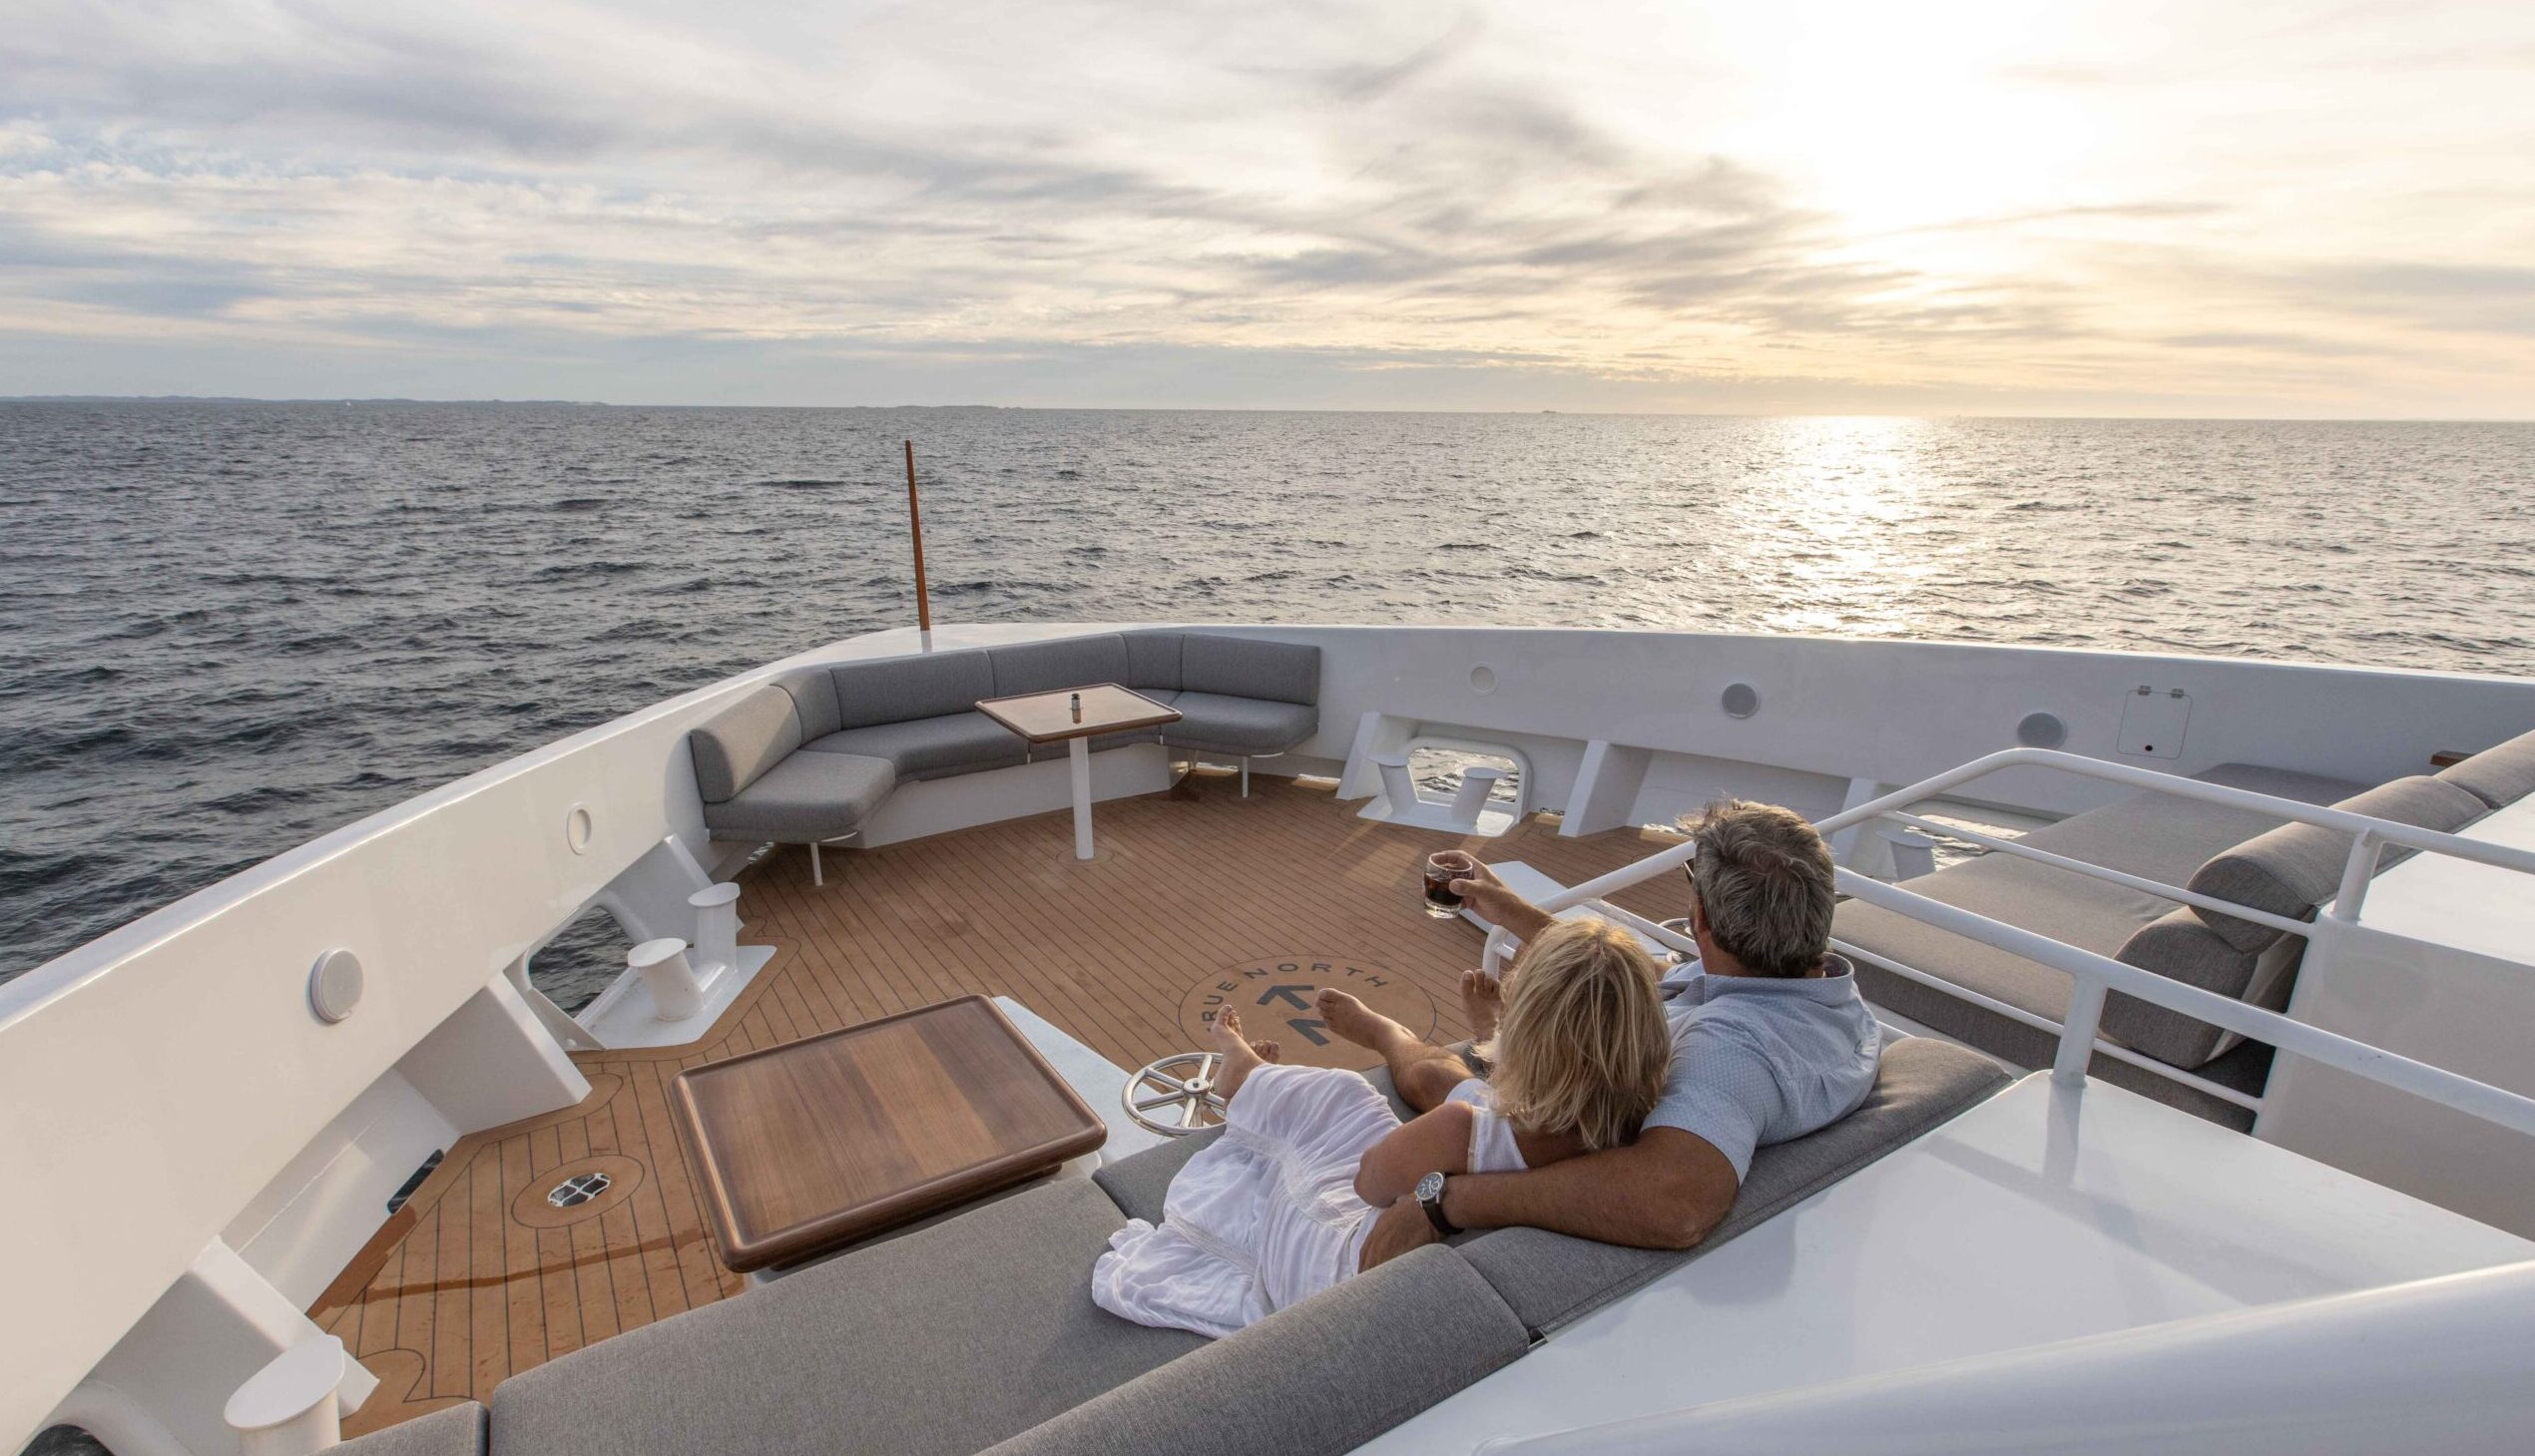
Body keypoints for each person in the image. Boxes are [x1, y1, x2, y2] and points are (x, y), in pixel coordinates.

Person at [1317, 798, 1882, 1271]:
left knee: (1442, 1083)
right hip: (1605, 1079)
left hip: (1577, 1117)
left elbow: (1674, 1203)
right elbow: (1639, 976)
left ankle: (1391, 1037)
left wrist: (1443, 1202)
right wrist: (1506, 908)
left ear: (1701, 920)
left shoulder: (1730, 1052)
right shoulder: (1812, 983)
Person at [1092, 920, 1671, 1337]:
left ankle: (1244, 1075)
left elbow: (1370, 1185)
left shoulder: (1462, 1128)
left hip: (1327, 1263)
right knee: (1343, 1108)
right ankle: (1266, 1075)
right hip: (1415, 1217)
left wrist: (1422, 1168)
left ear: (1527, 1041)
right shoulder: (1629, 1129)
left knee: (1342, 1094)